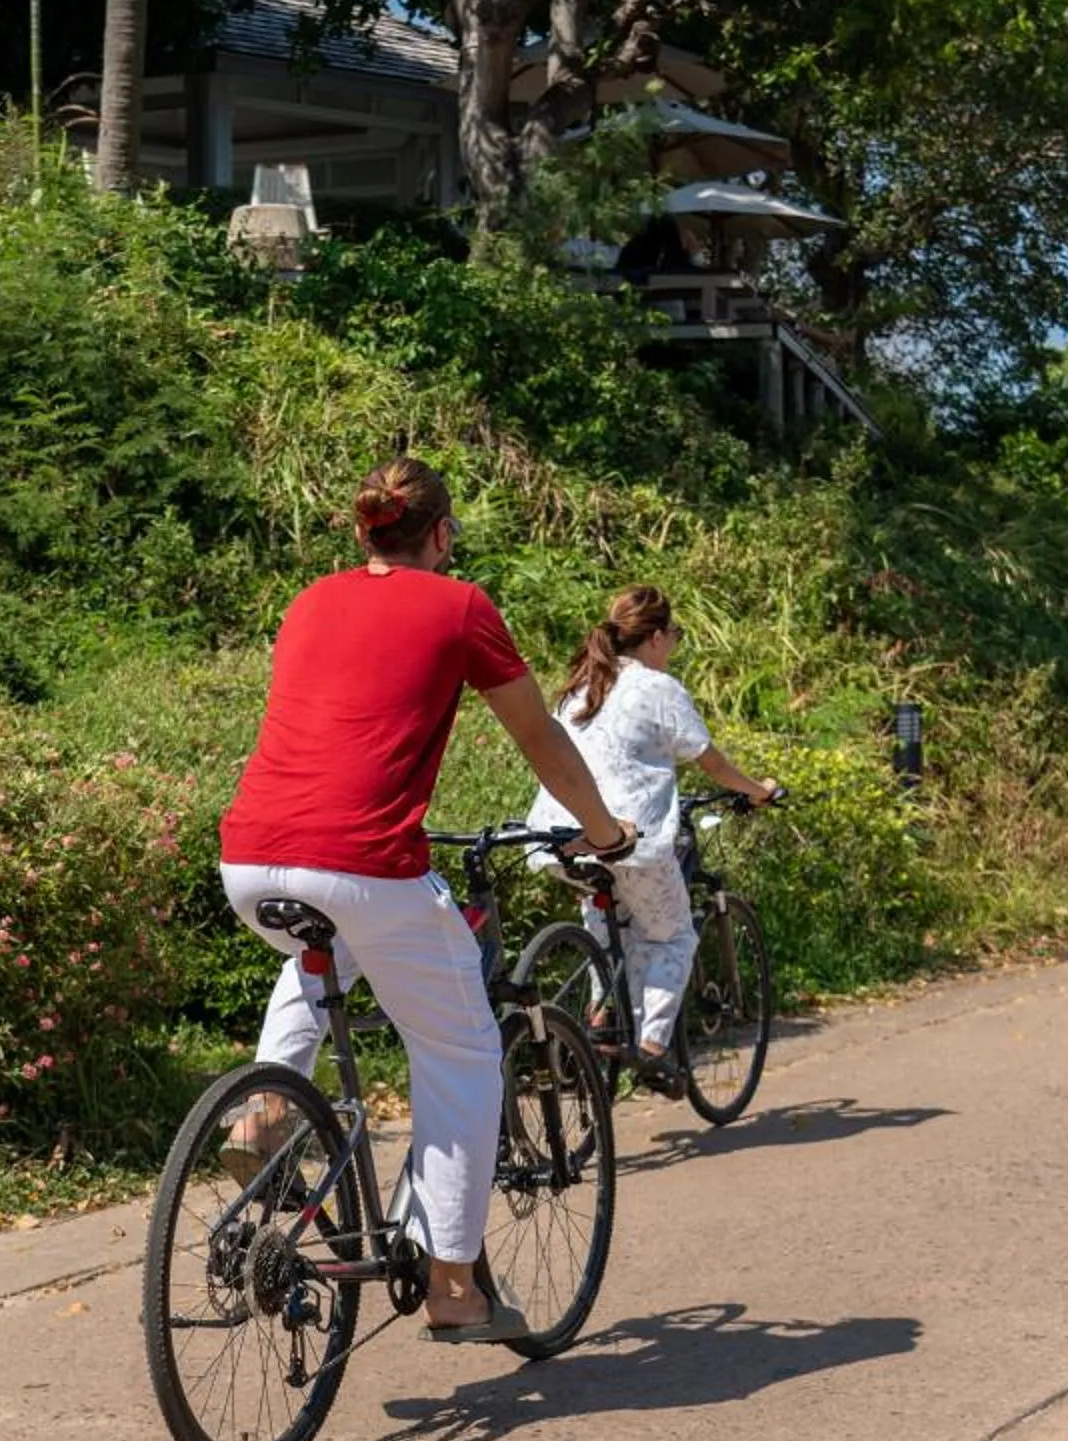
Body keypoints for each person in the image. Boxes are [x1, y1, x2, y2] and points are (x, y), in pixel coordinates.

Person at [219, 455, 634, 1340]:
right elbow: (544, 744)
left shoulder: (310, 601)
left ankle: (264, 1109)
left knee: (323, 954)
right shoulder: (460, 606)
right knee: (461, 1050)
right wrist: (605, 831)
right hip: (363, 859)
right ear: (442, 533)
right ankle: (453, 1287)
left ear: (363, 529)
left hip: (251, 858)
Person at [527, 585, 780, 1090]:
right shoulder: (657, 687)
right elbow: (711, 762)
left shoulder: (583, 683)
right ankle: (652, 1047)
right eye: (676, 637)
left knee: (609, 931)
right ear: (658, 637)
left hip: (560, 838)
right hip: (626, 839)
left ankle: (600, 1022)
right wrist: (759, 791)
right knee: (672, 934)